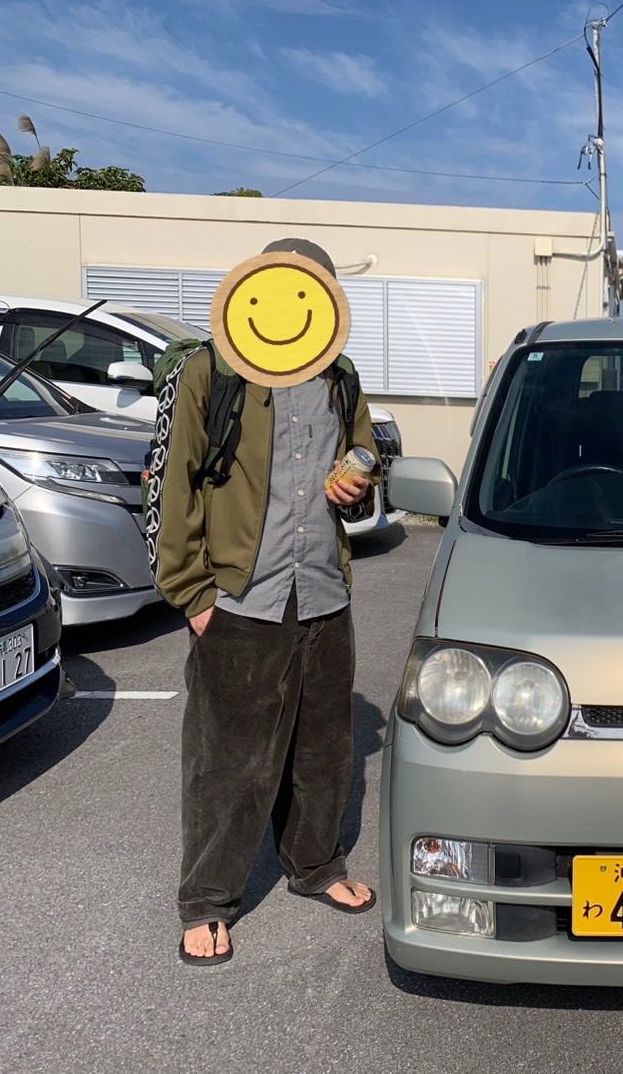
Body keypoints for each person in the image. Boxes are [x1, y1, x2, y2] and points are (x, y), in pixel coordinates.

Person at [155, 238, 380, 965]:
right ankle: (207, 899)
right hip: (237, 597)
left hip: (323, 591)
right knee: (228, 760)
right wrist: (192, 594)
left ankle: (315, 865)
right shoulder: (207, 371)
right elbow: (173, 483)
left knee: (324, 747)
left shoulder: (341, 375)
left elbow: (364, 458)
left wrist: (360, 482)